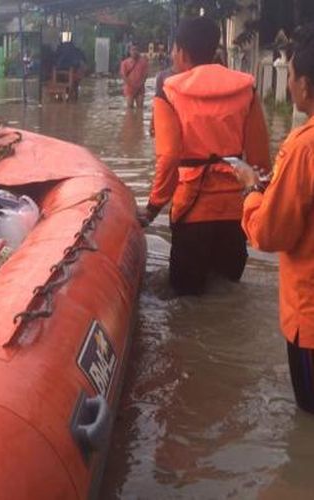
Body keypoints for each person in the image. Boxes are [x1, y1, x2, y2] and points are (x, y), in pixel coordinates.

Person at [139, 17, 271, 295]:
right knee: (228, 297)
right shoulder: (246, 88)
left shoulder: (168, 92)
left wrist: (152, 209)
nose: (173, 56)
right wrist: (262, 199)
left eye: (174, 50)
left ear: (183, 52)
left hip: (192, 212)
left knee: (186, 304)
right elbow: (259, 156)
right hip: (236, 211)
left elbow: (169, 157)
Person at [237, 24, 314, 414]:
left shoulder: (303, 147)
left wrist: (252, 191)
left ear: (302, 84)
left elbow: (270, 233)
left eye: (292, 77)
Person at [120, 43, 149, 108]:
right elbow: (123, 76)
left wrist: (139, 85)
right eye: (133, 50)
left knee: (140, 108)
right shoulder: (125, 63)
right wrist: (131, 85)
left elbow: (145, 75)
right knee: (129, 108)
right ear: (129, 51)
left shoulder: (144, 62)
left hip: (140, 89)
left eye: (136, 50)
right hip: (129, 89)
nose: (134, 52)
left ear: (138, 51)